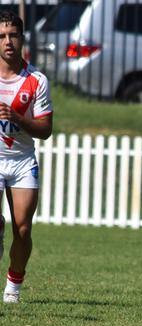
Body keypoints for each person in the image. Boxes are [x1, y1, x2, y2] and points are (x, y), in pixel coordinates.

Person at [0, 10, 53, 304]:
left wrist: (19, 119)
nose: (8, 41)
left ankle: (13, 287)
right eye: (2, 36)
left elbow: (45, 130)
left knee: (22, 228)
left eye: (13, 35)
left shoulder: (37, 80)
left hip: (21, 161)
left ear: (22, 39)